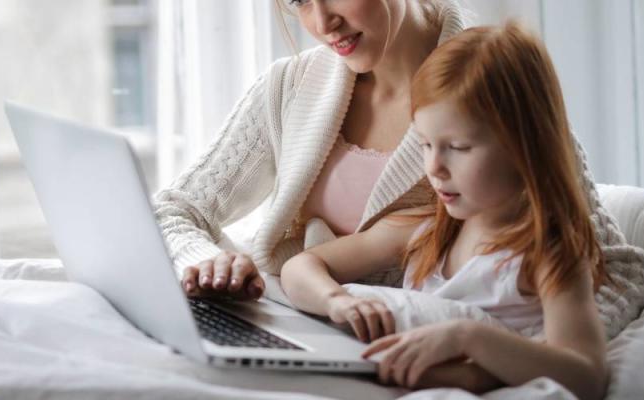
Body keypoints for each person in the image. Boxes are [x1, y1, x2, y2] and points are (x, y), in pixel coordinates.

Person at [280, 22, 610, 400]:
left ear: (525, 147)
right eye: (424, 144)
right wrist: (334, 301)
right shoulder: (426, 230)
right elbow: (300, 267)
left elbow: (587, 375)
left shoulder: (546, 253)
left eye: (458, 147)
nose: (433, 168)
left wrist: (467, 339)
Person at [154, 0, 467, 299]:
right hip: (279, 310)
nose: (323, 23)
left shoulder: (491, 91)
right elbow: (173, 211)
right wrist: (208, 263)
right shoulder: (291, 85)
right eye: (299, 0)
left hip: (405, 339)